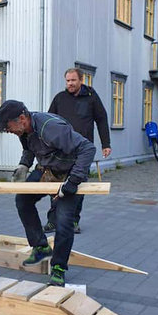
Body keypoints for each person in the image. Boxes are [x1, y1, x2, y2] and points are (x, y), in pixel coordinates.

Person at [0, 100, 96, 286]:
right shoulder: (24, 130)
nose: (8, 131)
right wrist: (24, 165)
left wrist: (72, 182)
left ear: (22, 119)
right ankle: (40, 246)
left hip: (69, 173)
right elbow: (29, 149)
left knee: (63, 221)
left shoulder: (51, 128)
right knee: (23, 201)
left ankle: (58, 268)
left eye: (8, 127)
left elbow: (87, 149)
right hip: (47, 170)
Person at [43, 68, 111, 234]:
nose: (70, 84)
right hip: (60, 152)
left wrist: (106, 144)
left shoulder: (91, 97)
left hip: (82, 152)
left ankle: (73, 221)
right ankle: (52, 221)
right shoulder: (60, 98)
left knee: (78, 187)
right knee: (55, 187)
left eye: (73, 80)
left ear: (81, 80)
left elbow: (102, 119)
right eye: (67, 81)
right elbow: (48, 121)